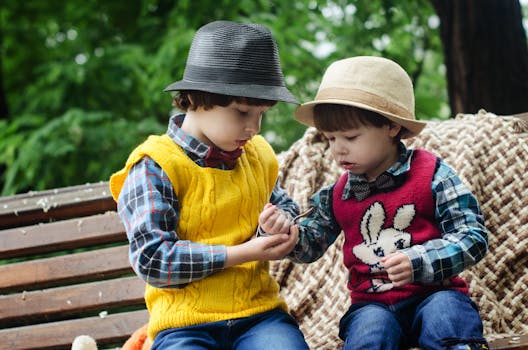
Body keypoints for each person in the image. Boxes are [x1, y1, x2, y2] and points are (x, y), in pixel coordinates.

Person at [258, 56, 489, 350]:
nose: (337, 150)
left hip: (435, 293)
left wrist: (420, 261)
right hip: (373, 304)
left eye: (351, 137)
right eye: (330, 138)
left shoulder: (432, 174)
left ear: (392, 127)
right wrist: (283, 233)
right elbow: (309, 244)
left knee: (446, 319)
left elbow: (473, 237)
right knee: (369, 333)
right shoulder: (337, 194)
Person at [109, 20, 309, 350]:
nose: (254, 128)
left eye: (262, 114)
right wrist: (242, 253)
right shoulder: (155, 165)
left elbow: (284, 207)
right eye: (243, 112)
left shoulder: (257, 155)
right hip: (184, 325)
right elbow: (153, 260)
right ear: (195, 98)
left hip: (259, 316)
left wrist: (277, 225)